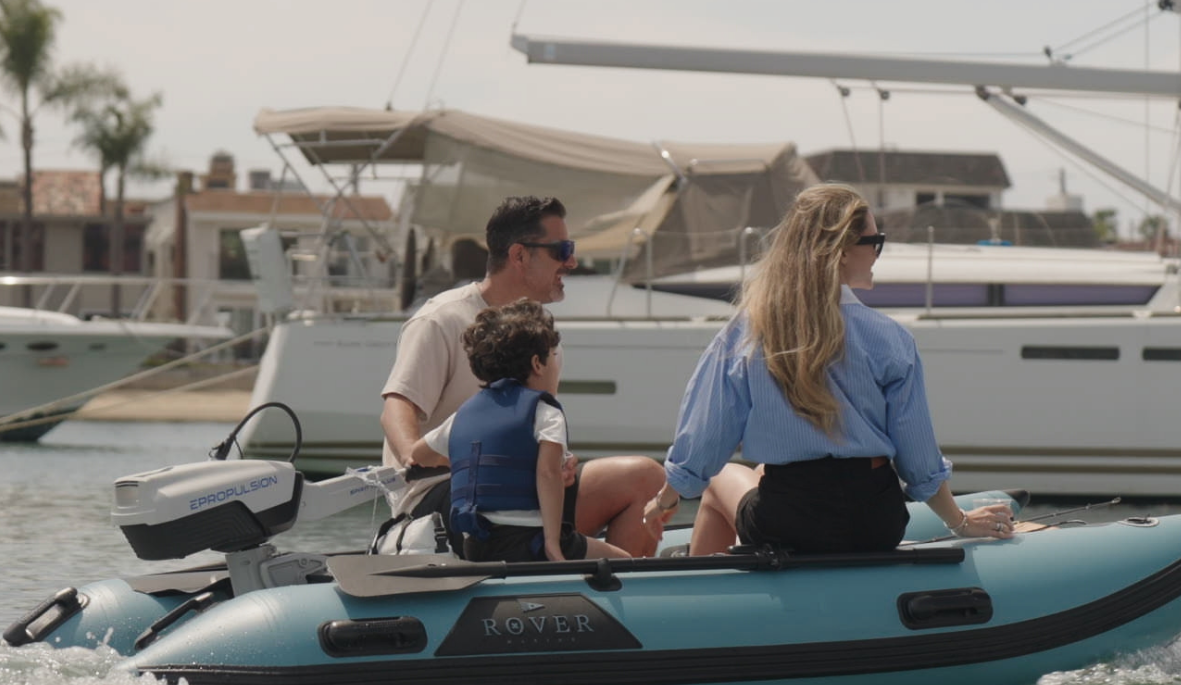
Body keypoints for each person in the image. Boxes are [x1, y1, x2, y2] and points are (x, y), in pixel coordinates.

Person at [642, 183, 1015, 556]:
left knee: (720, 478)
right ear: (840, 252)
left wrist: (664, 502)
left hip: (789, 519)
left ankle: (706, 587)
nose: (877, 254)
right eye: (874, 241)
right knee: (760, 476)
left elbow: (704, 443)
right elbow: (918, 461)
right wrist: (960, 521)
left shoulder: (748, 331)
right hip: (877, 521)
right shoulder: (890, 338)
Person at [380, 195, 666, 556]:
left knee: (645, 478)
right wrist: (415, 458)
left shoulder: (544, 340)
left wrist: (560, 461)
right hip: (443, 498)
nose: (572, 262)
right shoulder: (442, 319)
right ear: (519, 255)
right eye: (562, 250)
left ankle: (604, 604)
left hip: (524, 489)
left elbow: (537, 429)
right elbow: (396, 408)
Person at [410, 301, 630, 563]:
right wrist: (552, 542)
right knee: (623, 560)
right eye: (552, 356)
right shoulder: (545, 413)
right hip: (530, 541)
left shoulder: (462, 416)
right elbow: (547, 474)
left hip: (477, 545)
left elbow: (419, 455)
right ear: (538, 363)